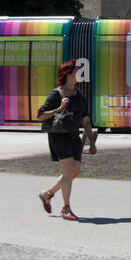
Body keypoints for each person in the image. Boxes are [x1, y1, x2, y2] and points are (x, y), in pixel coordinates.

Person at [37, 60, 97, 221]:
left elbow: (85, 121)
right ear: (68, 74)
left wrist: (91, 141)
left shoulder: (80, 95)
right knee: (69, 171)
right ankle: (66, 208)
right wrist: (59, 108)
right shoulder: (56, 94)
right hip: (59, 136)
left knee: (74, 172)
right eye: (77, 71)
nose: (79, 73)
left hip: (74, 137)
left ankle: (47, 194)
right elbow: (40, 115)